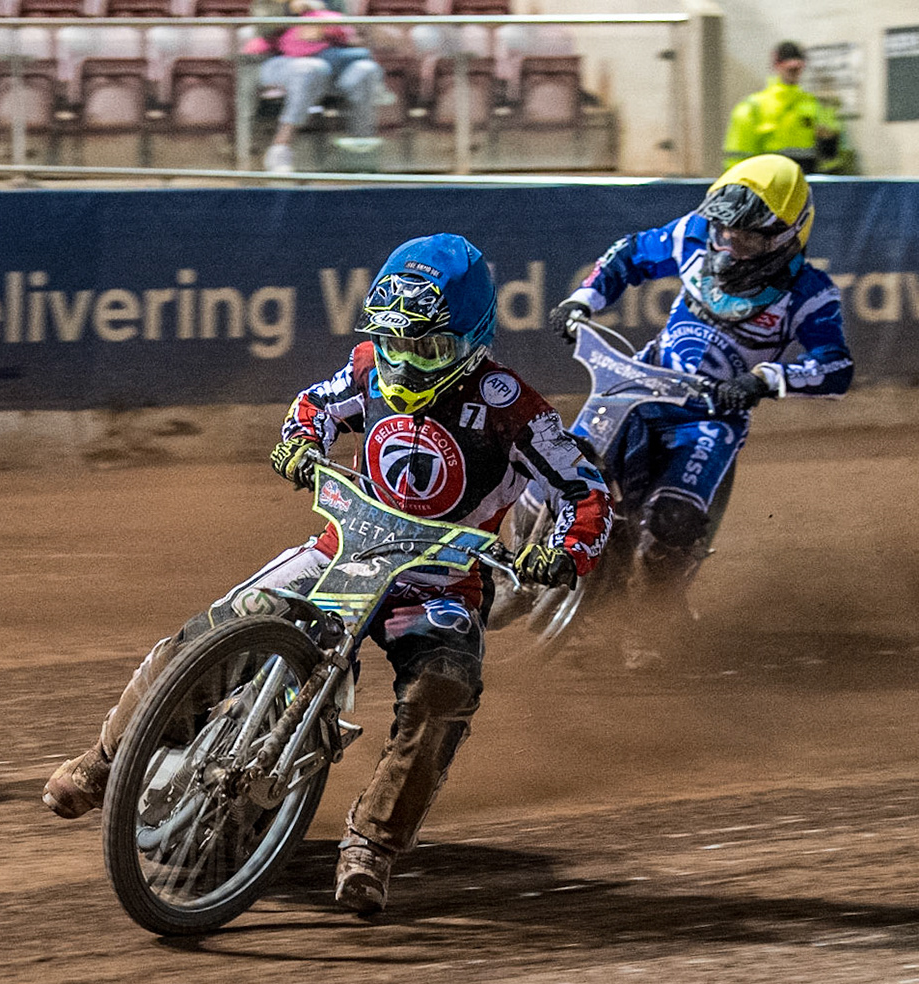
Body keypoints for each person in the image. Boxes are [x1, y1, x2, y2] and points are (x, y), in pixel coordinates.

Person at [44, 234, 610, 916]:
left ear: (472, 341)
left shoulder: (514, 408)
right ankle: (106, 762)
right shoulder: (369, 365)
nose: (405, 360)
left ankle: (372, 846)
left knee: (442, 693)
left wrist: (566, 553)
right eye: (395, 343)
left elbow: (586, 489)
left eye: (426, 348)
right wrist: (300, 442)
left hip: (437, 583)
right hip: (343, 549)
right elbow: (315, 404)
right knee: (208, 633)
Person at [546, 155, 851, 637]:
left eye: (748, 237)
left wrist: (764, 379)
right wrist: (583, 299)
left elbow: (835, 365)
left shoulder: (810, 294)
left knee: (674, 519)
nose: (729, 244)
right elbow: (629, 255)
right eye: (724, 229)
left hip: (711, 417)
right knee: (561, 461)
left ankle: (652, 619)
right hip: (638, 386)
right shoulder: (692, 233)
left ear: (787, 238)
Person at [248, 0, 385, 175]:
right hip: (281, 59)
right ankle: (280, 148)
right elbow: (262, 29)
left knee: (366, 70)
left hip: (333, 58)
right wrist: (291, 10)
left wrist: (324, 25)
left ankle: (360, 152)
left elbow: (348, 26)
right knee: (312, 69)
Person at [723, 41, 852, 175]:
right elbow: (737, 156)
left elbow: (831, 155)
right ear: (776, 66)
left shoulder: (815, 105)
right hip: (767, 183)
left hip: (806, 182)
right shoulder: (753, 107)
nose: (794, 72)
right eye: (789, 68)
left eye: (797, 68)